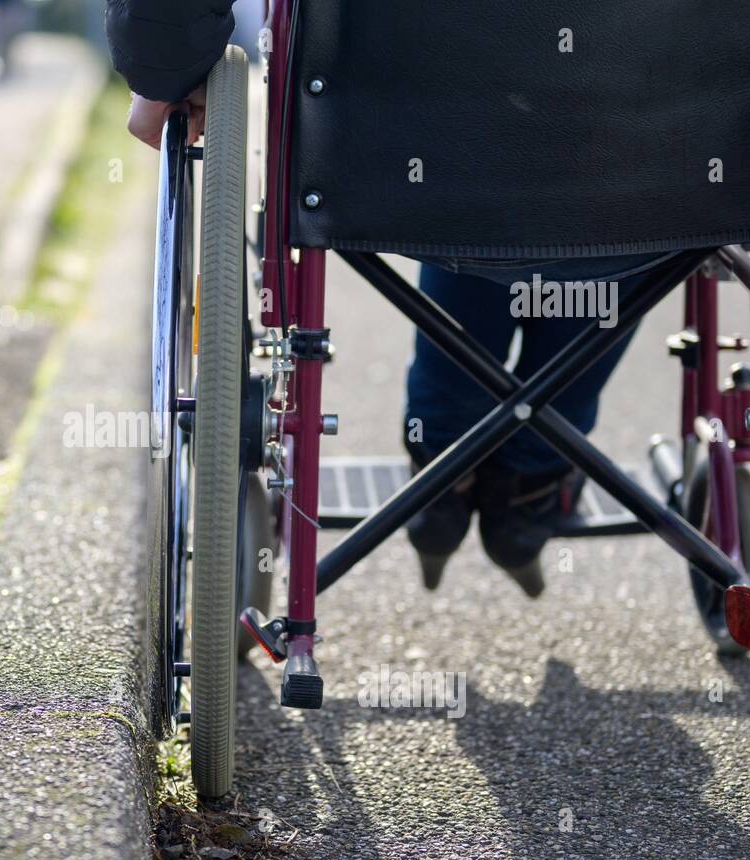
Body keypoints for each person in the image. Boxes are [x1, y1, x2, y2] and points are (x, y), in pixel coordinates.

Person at [105, 0, 669, 597]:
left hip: (403, 141)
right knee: (622, 181)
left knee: (471, 160)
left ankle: (443, 463)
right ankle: (530, 486)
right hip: (660, 147)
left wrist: (167, 66)